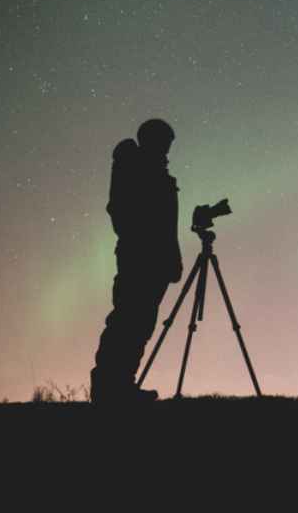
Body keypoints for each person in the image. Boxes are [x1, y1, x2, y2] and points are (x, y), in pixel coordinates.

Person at [90, 118, 185, 403]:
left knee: (140, 323)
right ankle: (109, 388)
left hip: (153, 259)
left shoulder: (154, 170)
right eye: (165, 142)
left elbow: (166, 224)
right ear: (153, 140)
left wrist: (171, 256)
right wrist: (145, 243)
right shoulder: (136, 167)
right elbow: (122, 211)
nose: (168, 150)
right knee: (128, 321)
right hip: (139, 258)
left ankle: (122, 384)